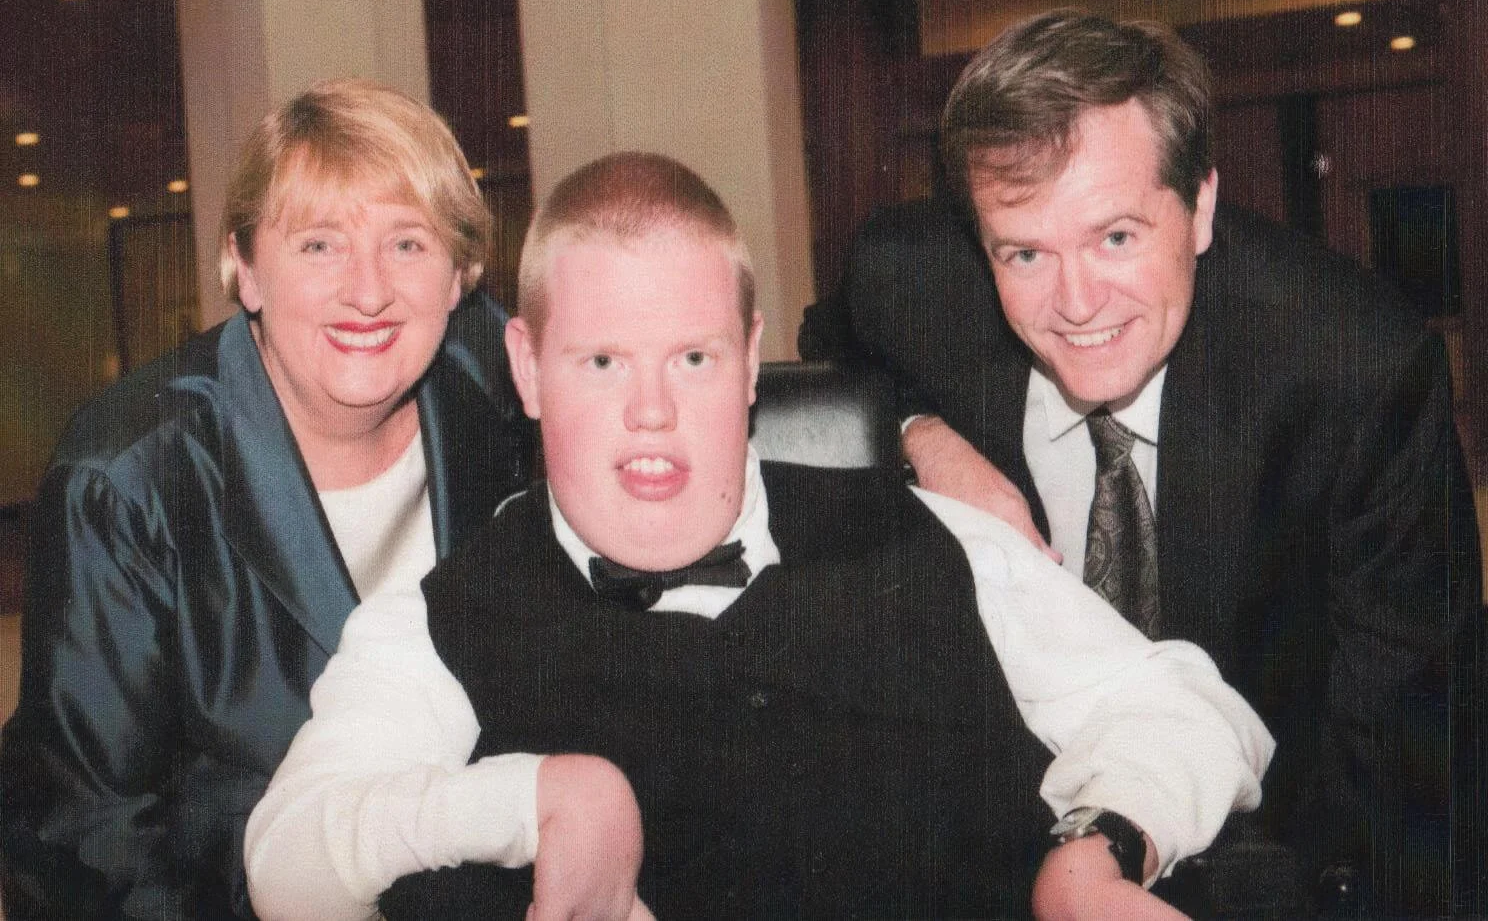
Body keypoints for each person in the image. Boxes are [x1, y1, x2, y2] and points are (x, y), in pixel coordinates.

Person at [245, 151, 1273, 920]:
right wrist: (538, 796)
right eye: (602, 362)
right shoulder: (438, 623)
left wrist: (1096, 851)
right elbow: (284, 854)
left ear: (747, 361)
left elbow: (1193, 711)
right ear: (526, 367)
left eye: (690, 358)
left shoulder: (932, 537)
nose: (651, 409)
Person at [805, 9, 1483, 915]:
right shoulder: (908, 279)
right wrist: (918, 434)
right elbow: (828, 359)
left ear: (1200, 205)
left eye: (1116, 236)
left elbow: (1405, 751)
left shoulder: (1353, 366)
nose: (1077, 302)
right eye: (1026, 252)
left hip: (1274, 858)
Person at [0, 79, 538, 918]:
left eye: (408, 244)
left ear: (463, 274)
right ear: (244, 270)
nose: (368, 292)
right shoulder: (126, 480)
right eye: (318, 246)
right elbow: (84, 842)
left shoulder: (502, 393)